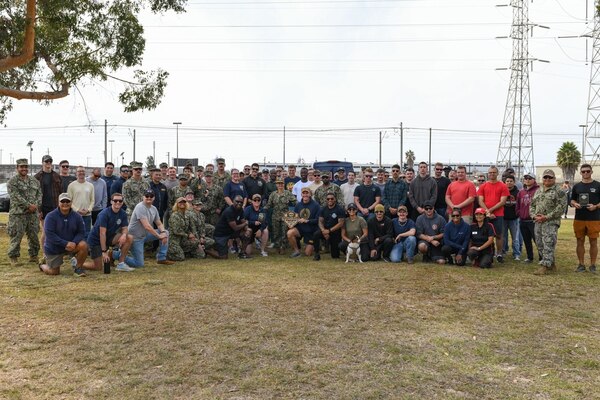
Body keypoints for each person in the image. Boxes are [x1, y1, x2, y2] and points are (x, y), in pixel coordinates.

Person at [40, 193, 88, 277]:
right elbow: (50, 235)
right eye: (63, 201)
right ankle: (42, 265)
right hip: (54, 247)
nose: (65, 203)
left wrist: (73, 242)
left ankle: (78, 268)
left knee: (83, 245)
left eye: (67, 201)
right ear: (58, 202)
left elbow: (81, 232)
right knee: (54, 272)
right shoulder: (50, 216)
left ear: (71, 202)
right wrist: (65, 243)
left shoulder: (77, 216)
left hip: (71, 245)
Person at [84, 192, 135, 272]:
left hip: (109, 237)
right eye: (115, 201)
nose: (118, 202)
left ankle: (121, 264)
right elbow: (102, 233)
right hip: (96, 240)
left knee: (129, 237)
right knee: (98, 267)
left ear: (122, 202)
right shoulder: (104, 214)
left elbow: (125, 228)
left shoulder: (123, 213)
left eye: (120, 201)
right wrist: (104, 252)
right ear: (111, 201)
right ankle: (78, 263)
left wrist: (124, 235)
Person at [530, 169, 567, 275]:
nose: (547, 179)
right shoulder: (538, 190)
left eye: (550, 177)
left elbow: (561, 207)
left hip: (550, 222)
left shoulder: (559, 191)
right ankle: (551, 263)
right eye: (545, 177)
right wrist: (533, 216)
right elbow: (532, 205)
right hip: (538, 222)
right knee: (540, 243)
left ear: (554, 179)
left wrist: (546, 217)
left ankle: (545, 266)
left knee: (548, 242)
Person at [125, 189, 175, 267]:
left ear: (154, 198)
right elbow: (147, 226)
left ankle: (161, 258)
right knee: (139, 264)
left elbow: (159, 223)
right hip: (135, 238)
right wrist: (159, 236)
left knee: (166, 232)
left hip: (145, 235)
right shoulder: (140, 207)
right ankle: (115, 255)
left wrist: (163, 233)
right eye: (147, 196)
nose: (149, 198)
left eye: (151, 196)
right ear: (143, 197)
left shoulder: (153, 208)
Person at [6, 158, 42, 265]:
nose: (24, 169)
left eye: (25, 166)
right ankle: (13, 257)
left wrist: (36, 205)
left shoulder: (34, 181)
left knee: (33, 235)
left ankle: (33, 255)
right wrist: (28, 205)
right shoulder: (12, 182)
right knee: (16, 235)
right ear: (17, 168)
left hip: (32, 214)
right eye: (21, 166)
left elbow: (39, 194)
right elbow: (15, 197)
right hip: (18, 214)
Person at [570, 163, 600, 273]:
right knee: (580, 240)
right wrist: (574, 204)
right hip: (579, 218)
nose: (586, 173)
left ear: (592, 172)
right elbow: (572, 200)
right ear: (580, 173)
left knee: (593, 241)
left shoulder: (598, 185)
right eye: (583, 171)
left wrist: (596, 206)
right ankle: (581, 264)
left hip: (594, 218)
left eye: (588, 171)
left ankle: (593, 265)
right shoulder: (577, 186)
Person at [477, 166, 509, 263]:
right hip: (485, 215)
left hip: (498, 215)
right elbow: (480, 201)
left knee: (499, 235)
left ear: (497, 173)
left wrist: (490, 210)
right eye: (490, 172)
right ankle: (487, 252)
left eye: (494, 172)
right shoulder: (483, 186)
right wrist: (487, 212)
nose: (492, 174)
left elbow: (502, 201)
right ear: (488, 173)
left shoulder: (503, 186)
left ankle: (499, 253)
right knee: (485, 235)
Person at [213, 195, 251, 259]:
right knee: (223, 257)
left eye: (241, 202)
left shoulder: (240, 210)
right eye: (237, 201)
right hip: (221, 234)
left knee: (248, 232)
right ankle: (207, 250)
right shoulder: (229, 211)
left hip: (231, 232)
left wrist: (247, 229)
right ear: (233, 201)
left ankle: (242, 253)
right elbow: (235, 228)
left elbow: (243, 221)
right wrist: (245, 224)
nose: (239, 203)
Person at [265, 177, 297, 254]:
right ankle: (277, 246)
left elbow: (295, 202)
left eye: (281, 183)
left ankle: (283, 247)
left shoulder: (288, 193)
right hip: (275, 216)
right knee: (276, 232)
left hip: (285, 216)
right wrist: (262, 209)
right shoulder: (273, 194)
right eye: (278, 183)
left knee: (284, 232)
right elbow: (269, 205)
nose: (280, 185)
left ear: (284, 184)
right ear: (276, 185)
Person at [287, 187, 320, 258]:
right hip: (300, 229)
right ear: (301, 194)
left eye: (307, 193)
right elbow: (294, 218)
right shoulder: (298, 205)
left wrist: (307, 221)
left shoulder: (316, 205)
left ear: (310, 194)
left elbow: (318, 220)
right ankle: (296, 251)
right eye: (303, 193)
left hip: (311, 231)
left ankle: (314, 245)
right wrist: (291, 224)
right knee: (290, 232)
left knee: (307, 253)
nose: (305, 195)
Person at [313, 192, 345, 261]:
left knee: (335, 256)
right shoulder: (323, 209)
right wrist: (323, 231)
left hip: (335, 232)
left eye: (331, 199)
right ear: (326, 200)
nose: (330, 200)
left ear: (335, 199)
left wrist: (329, 231)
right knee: (316, 235)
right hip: (325, 230)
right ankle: (316, 254)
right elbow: (320, 221)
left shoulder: (339, 209)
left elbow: (341, 223)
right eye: (328, 199)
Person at [515, 172, 540, 264]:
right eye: (526, 178)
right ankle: (530, 257)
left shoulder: (538, 190)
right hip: (523, 220)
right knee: (526, 240)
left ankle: (541, 258)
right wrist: (519, 213)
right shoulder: (521, 192)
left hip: (533, 220)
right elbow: (517, 205)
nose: (527, 180)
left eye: (530, 178)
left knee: (537, 240)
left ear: (534, 180)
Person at [416, 200, 446, 264]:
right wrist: (431, 240)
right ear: (424, 209)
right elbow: (419, 234)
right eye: (426, 208)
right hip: (425, 241)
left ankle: (432, 256)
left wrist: (434, 237)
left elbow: (444, 233)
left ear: (433, 208)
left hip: (437, 242)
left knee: (442, 262)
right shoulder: (419, 218)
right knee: (422, 246)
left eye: (430, 208)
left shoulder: (440, 218)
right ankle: (425, 255)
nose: (428, 210)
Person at [67, 166, 95, 236]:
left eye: (83, 171)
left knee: (86, 234)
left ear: (85, 173)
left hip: (87, 215)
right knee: (74, 233)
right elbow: (69, 201)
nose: (81, 172)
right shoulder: (71, 185)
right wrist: (77, 210)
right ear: (76, 173)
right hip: (75, 214)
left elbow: (92, 200)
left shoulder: (90, 185)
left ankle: (86, 247)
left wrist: (88, 210)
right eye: (79, 171)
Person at [34, 154, 62, 219]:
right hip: (43, 208)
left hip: (55, 207)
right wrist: (38, 210)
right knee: (45, 228)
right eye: (46, 161)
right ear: (42, 163)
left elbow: (61, 192)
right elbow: (34, 195)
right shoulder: (37, 177)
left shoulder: (57, 176)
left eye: (50, 161)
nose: (48, 163)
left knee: (57, 228)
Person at [502, 175, 521, 261]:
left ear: (514, 182)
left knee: (515, 238)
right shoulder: (502, 191)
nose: (509, 183)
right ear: (505, 182)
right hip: (503, 218)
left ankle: (516, 254)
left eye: (511, 181)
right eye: (507, 181)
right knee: (503, 237)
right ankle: (502, 252)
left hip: (514, 218)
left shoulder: (518, 192)